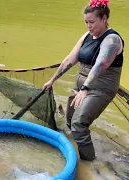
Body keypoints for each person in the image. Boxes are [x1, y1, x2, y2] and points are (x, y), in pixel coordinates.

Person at [43, 0, 124, 161]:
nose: (88, 26)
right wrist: (52, 80)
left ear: (104, 18)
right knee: (70, 121)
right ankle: (76, 148)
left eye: (92, 22)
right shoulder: (87, 35)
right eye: (86, 22)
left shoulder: (112, 39)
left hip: (100, 88)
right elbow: (69, 60)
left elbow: (100, 64)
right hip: (82, 87)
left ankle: (89, 163)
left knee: (78, 124)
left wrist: (85, 89)